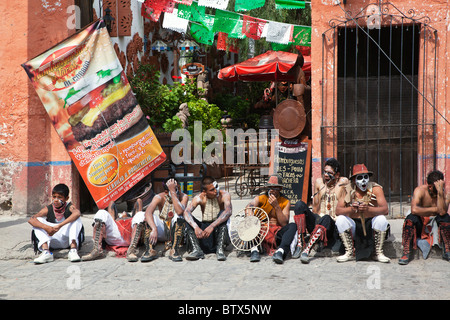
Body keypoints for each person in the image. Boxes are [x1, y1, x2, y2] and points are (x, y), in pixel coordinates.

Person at [292, 158, 348, 263]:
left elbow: (344, 180)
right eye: (325, 172)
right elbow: (315, 208)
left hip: (332, 224)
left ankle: (307, 250)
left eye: (329, 173)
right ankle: (301, 243)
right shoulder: (319, 183)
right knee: (299, 205)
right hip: (319, 221)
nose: (326, 175)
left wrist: (334, 181)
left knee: (326, 218)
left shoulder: (342, 184)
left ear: (336, 175)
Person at [335, 164, 390, 263]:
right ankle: (349, 252)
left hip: (371, 224)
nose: (364, 180)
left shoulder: (376, 189)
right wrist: (351, 209)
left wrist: (368, 209)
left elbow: (385, 210)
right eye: (360, 178)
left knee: (381, 219)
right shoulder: (347, 189)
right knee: (340, 220)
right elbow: (338, 211)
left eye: (366, 177)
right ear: (354, 180)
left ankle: (378, 253)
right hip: (354, 225)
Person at [398, 170, 450, 265]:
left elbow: (442, 212)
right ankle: (406, 251)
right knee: (410, 219)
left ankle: (447, 250)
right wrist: (435, 209)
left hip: (436, 226)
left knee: (446, 218)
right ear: (430, 187)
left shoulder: (445, 192)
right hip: (421, 223)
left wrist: (440, 193)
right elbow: (414, 210)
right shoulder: (420, 190)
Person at [245, 174, 296, 264]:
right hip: (260, 232)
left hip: (276, 233)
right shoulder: (261, 198)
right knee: (248, 222)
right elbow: (248, 207)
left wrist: (276, 206)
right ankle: (254, 250)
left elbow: (284, 223)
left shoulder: (285, 201)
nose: (272, 191)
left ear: (280, 189)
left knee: (292, 226)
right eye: (270, 187)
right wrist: (250, 217)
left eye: (275, 188)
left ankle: (280, 251)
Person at [29, 183, 84, 264]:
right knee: (38, 220)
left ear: (66, 198)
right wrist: (47, 228)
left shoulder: (70, 207)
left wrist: (60, 226)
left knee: (76, 219)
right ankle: (46, 252)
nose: (56, 200)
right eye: (54, 197)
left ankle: (73, 250)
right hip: (52, 239)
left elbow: (77, 213)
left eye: (60, 197)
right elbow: (31, 220)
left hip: (66, 239)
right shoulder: (48, 208)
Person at [183, 176, 232, 261]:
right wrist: (196, 227)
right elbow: (186, 212)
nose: (215, 191)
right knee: (188, 220)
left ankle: (220, 250)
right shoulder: (199, 197)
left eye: (216, 187)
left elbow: (228, 211)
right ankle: (197, 250)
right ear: (204, 192)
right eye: (212, 190)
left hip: (217, 230)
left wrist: (212, 226)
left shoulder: (224, 195)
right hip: (204, 231)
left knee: (223, 215)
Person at [82, 198, 146, 262]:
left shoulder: (133, 219)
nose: (124, 212)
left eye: (126, 213)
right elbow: (111, 203)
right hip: (114, 237)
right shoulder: (114, 221)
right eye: (122, 214)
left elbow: (139, 202)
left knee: (140, 214)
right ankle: (96, 250)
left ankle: (132, 250)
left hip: (131, 237)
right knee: (101, 212)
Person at [142, 177, 189, 262]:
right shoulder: (159, 197)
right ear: (166, 191)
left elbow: (179, 211)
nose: (178, 190)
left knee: (180, 217)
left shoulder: (183, 196)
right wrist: (154, 228)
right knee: (145, 218)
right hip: (163, 229)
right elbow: (148, 212)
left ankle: (174, 250)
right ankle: (150, 250)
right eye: (175, 188)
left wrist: (173, 192)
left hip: (177, 232)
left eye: (177, 188)